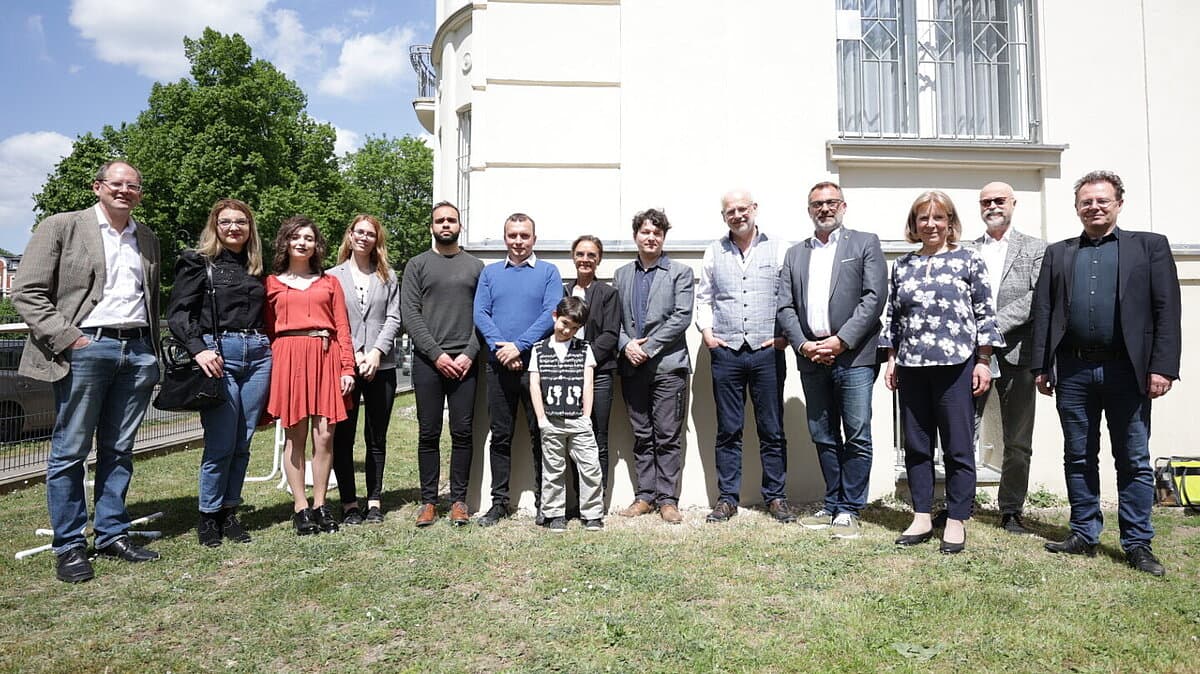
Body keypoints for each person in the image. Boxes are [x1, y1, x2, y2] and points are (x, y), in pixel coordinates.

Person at [13, 160, 161, 582]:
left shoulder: (146, 237)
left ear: (139, 193)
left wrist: (149, 351)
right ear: (98, 187)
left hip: (135, 350)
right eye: (116, 184)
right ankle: (70, 545)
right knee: (70, 450)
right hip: (85, 348)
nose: (124, 191)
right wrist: (72, 340)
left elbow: (148, 298)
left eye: (133, 185)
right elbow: (27, 292)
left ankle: (112, 532)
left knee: (119, 449)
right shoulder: (62, 226)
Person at [1032, 170, 1180, 577]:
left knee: (1132, 458)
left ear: (1118, 203)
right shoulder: (1059, 253)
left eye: (1102, 201)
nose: (1094, 207)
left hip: (1126, 369)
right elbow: (1044, 311)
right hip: (1074, 368)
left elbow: (1166, 310)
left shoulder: (1149, 247)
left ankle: (1136, 542)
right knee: (1077, 455)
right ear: (1077, 207)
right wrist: (1041, 366)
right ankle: (1083, 532)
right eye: (1086, 202)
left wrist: (1162, 366)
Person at [884, 191, 1003, 554]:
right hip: (913, 366)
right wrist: (891, 358)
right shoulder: (902, 265)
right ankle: (921, 515)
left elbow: (985, 312)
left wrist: (983, 360)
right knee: (917, 446)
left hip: (956, 367)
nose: (931, 224)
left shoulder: (969, 260)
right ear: (914, 224)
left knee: (957, 446)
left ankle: (955, 519)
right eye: (923, 218)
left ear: (950, 223)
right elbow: (893, 315)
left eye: (939, 218)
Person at [777, 182, 887, 539]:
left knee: (856, 433)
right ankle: (834, 501)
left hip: (854, 356)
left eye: (830, 203)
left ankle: (851, 508)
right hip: (812, 359)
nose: (824, 209)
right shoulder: (795, 254)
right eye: (817, 204)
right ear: (809, 210)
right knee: (823, 434)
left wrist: (841, 341)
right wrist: (804, 345)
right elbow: (785, 306)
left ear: (843, 205)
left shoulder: (864, 242)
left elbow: (874, 298)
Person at [167, 198, 272, 547]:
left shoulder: (257, 266)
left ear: (250, 228)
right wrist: (199, 350)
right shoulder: (198, 263)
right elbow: (180, 313)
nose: (233, 228)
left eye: (241, 222)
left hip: (258, 354)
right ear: (215, 226)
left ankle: (230, 512)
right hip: (219, 354)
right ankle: (208, 516)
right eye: (226, 222)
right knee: (221, 442)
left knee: (243, 442)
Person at [695, 190, 792, 524]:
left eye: (742, 209)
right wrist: (707, 334)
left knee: (772, 428)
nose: (737, 215)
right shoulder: (713, 251)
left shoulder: (779, 248)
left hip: (768, 351)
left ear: (754, 209)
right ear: (724, 217)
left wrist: (784, 337)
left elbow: (789, 296)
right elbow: (704, 296)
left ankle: (776, 497)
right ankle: (727, 498)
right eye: (730, 211)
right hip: (727, 353)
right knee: (728, 430)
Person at [264, 216, 356, 536]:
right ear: (285, 243)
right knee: (295, 436)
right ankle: (300, 508)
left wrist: (347, 367)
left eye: (309, 238)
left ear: (317, 245)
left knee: (325, 436)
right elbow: (266, 328)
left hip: (325, 355)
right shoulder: (272, 284)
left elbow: (342, 327)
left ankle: (320, 504)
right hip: (288, 357)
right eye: (296, 237)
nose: (302, 243)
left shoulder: (329, 282)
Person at [473, 213, 562, 526]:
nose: (519, 241)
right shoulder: (491, 273)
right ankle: (498, 503)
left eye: (525, 236)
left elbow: (551, 314)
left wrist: (519, 346)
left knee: (542, 434)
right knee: (500, 436)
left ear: (534, 239)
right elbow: (481, 313)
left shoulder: (549, 272)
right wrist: (502, 347)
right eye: (513, 235)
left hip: (536, 367)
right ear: (505, 238)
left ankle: (545, 503)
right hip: (499, 367)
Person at [969, 182, 1046, 534]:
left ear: (1014, 203)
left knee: (1017, 439)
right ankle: (961, 503)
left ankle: (1011, 510)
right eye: (986, 202)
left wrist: (989, 325)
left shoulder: (1035, 249)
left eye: (999, 200)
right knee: (963, 432)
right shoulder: (966, 251)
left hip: (1018, 354)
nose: (993, 206)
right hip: (971, 357)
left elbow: (1036, 298)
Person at [401, 201, 484, 527]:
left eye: (451, 220)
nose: (445, 225)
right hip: (428, 362)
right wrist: (436, 354)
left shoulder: (476, 267)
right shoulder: (417, 265)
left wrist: (468, 353)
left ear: (460, 226)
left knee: (462, 432)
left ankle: (459, 501)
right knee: (429, 432)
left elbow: (484, 316)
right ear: (431, 227)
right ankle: (428, 501)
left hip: (466, 363)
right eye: (440, 221)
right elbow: (410, 314)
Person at [614, 208, 694, 524]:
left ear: (663, 237)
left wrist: (650, 348)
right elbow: (613, 320)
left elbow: (681, 317)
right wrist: (626, 345)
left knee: (667, 435)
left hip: (668, 367)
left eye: (657, 233)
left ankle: (668, 499)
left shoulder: (680, 272)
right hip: (632, 367)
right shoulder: (621, 275)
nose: (651, 237)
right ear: (636, 236)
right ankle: (645, 496)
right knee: (641, 433)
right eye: (645, 232)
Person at [326, 215, 402, 525]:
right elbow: (333, 318)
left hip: (381, 365)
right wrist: (356, 353)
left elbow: (394, 318)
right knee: (343, 437)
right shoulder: (332, 276)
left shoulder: (388, 276)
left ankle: (373, 500)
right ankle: (348, 504)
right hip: (344, 364)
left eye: (371, 234)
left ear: (377, 240)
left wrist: (374, 353)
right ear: (350, 235)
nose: (364, 237)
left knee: (376, 436)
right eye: (359, 232)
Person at [529, 296, 606, 532]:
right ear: (555, 316)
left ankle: (592, 513)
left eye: (574, 328)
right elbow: (534, 384)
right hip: (551, 420)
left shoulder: (584, 349)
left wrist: (586, 416)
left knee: (590, 466)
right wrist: (541, 418)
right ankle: (554, 514)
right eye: (564, 323)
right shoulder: (539, 349)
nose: (567, 330)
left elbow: (588, 384)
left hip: (578, 420)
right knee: (553, 469)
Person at [563, 235, 620, 503]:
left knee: (597, 436)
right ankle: (577, 498)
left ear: (599, 259)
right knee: (573, 436)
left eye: (591, 255)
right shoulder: (561, 291)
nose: (585, 259)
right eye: (581, 254)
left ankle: (596, 499)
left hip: (600, 374)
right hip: (565, 376)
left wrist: (584, 360)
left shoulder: (608, 294)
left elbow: (610, 335)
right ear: (573, 256)